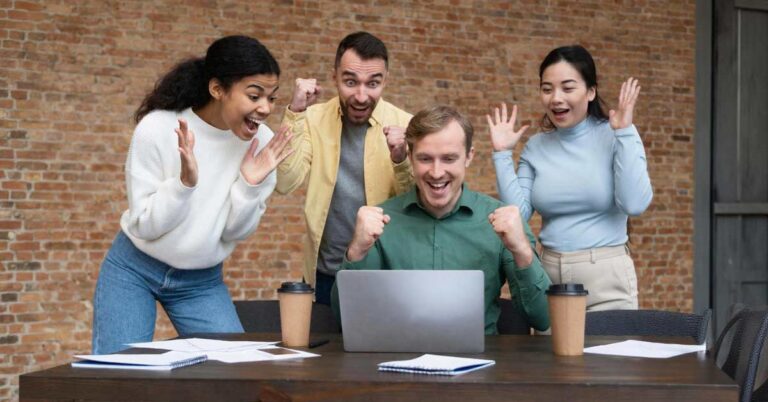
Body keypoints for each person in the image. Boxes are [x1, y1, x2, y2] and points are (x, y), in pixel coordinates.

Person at [92, 35, 292, 354]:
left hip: (201, 281)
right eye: (255, 95)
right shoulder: (158, 128)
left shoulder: (262, 146)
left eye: (271, 97)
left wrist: (249, 184)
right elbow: (146, 226)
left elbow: (234, 232)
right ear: (217, 89)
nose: (265, 108)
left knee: (239, 374)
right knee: (119, 377)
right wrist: (183, 184)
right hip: (134, 269)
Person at [332, 106, 551, 333]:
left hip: (482, 363)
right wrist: (356, 251)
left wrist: (522, 252)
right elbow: (345, 319)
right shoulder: (379, 222)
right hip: (397, 360)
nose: (436, 173)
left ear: (468, 157)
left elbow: (542, 317)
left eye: (449, 159)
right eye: (425, 158)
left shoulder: (503, 220)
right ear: (410, 158)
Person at [488, 45, 653, 311]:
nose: (556, 98)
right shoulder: (536, 147)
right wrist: (502, 155)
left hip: (606, 276)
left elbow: (634, 205)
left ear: (590, 91)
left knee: (608, 354)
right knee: (552, 355)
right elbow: (517, 216)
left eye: (568, 88)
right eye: (547, 89)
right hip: (549, 275)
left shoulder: (615, 136)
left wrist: (624, 133)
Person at [276, 32, 413, 305]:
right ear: (335, 77)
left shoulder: (406, 125)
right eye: (350, 82)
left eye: (373, 83)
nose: (361, 96)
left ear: (386, 80)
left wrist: (401, 160)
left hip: (385, 275)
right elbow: (285, 182)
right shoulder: (311, 118)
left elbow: (417, 207)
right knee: (323, 349)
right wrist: (295, 113)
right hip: (324, 273)